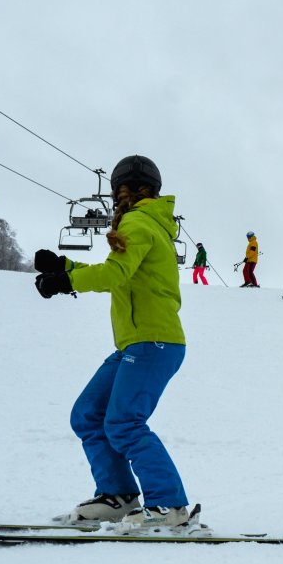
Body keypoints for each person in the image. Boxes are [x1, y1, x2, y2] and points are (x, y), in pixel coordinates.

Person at [33, 154, 194, 530]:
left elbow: (116, 274)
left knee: (124, 422)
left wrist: (66, 281)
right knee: (88, 414)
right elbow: (121, 271)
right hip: (137, 344)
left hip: (153, 342)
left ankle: (169, 506)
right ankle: (118, 496)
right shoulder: (149, 224)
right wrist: (65, 267)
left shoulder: (138, 222)